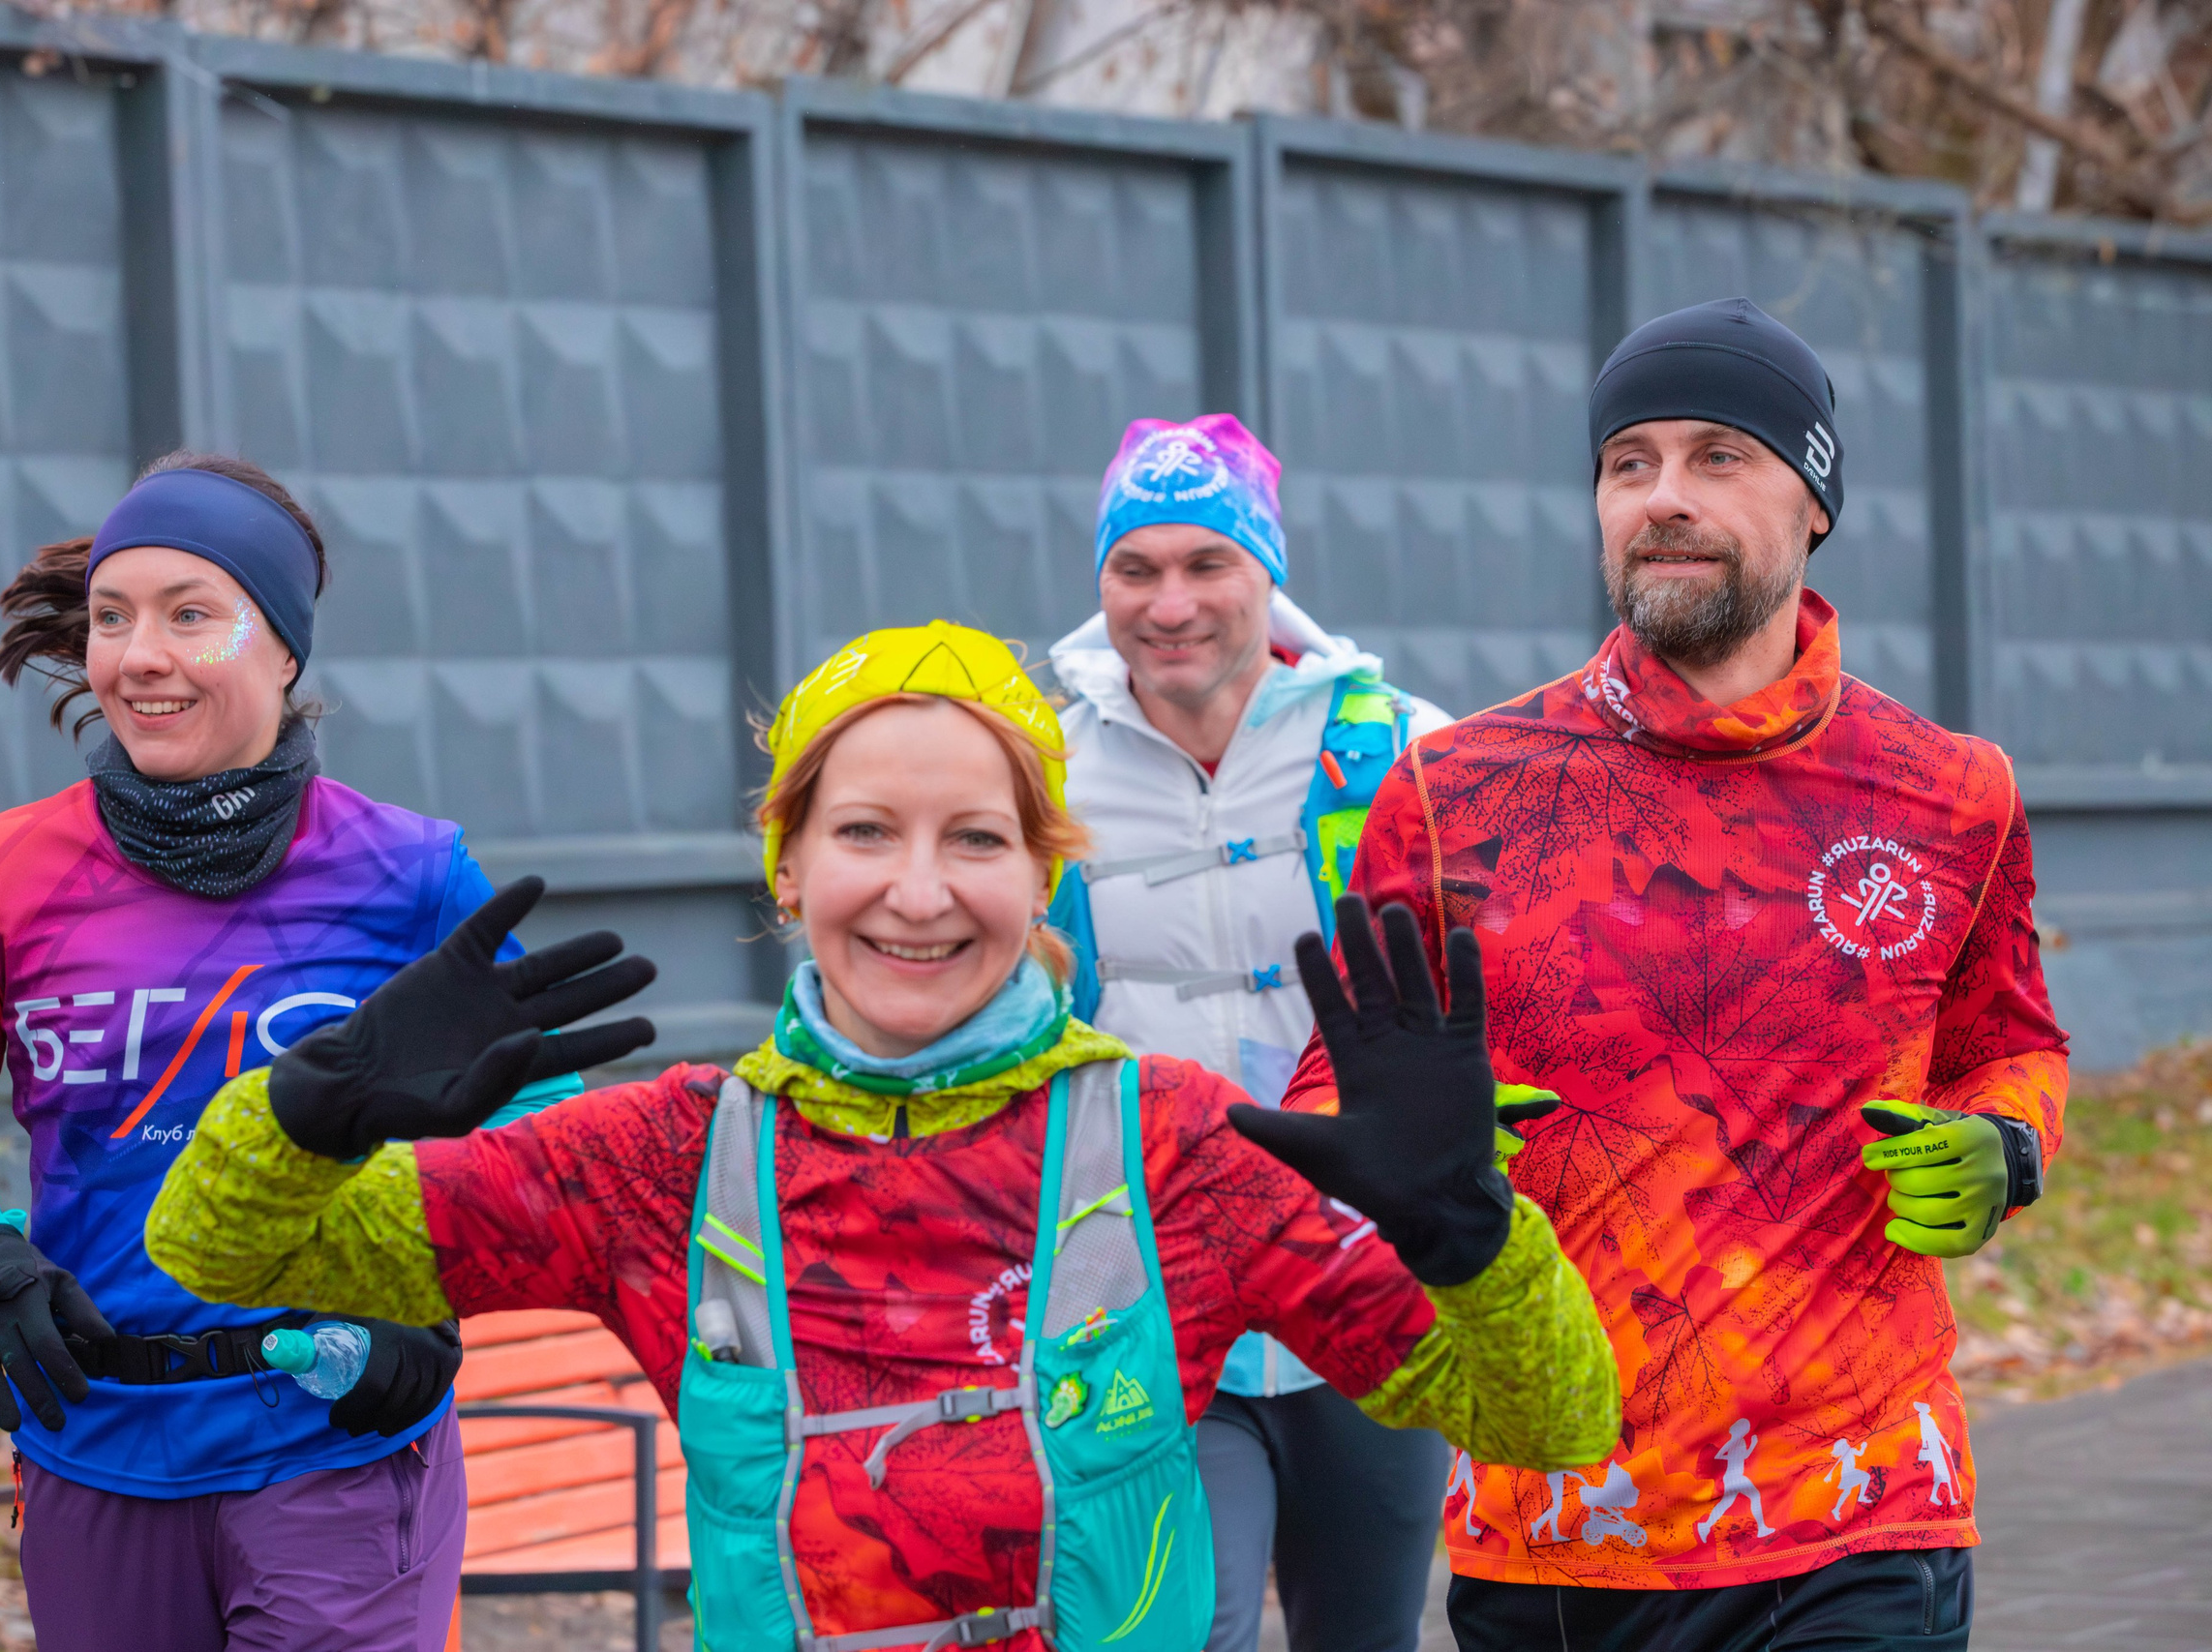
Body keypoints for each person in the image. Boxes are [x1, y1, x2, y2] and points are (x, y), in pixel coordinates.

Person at [142, 619, 1621, 1652]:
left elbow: (1545, 1422)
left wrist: (1471, 1231)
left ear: (1048, 880)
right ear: (787, 861)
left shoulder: (1171, 1143)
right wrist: (304, 1112)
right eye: (864, 832)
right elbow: (219, 1243)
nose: (919, 892)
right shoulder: (666, 1157)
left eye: (977, 838)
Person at [1285, 297, 2065, 1651]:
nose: (1664, 497)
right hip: (1557, 1514)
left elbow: (2012, 1039)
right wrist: (1401, 1150)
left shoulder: (1953, 792)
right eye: (1628, 462)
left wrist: (2005, 1142)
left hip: (1859, 1500)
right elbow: (1336, 1075)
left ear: (1814, 498)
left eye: (1719, 455)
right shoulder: (1452, 789)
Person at [0, 453, 632, 1650]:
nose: (139, 654)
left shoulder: (413, 873)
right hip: (91, 1443)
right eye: (113, 618)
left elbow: (544, 1148)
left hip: (333, 1437)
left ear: (282, 650)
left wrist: (430, 1296)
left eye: (190, 614)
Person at [1044, 414, 1461, 1652]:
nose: (1169, 604)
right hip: (1152, 1300)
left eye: (1205, 565)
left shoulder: (1400, 748)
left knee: (1364, 1638)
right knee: (1185, 1627)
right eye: (1136, 569)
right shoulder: (1039, 769)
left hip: (1368, 1291)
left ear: (1266, 572)